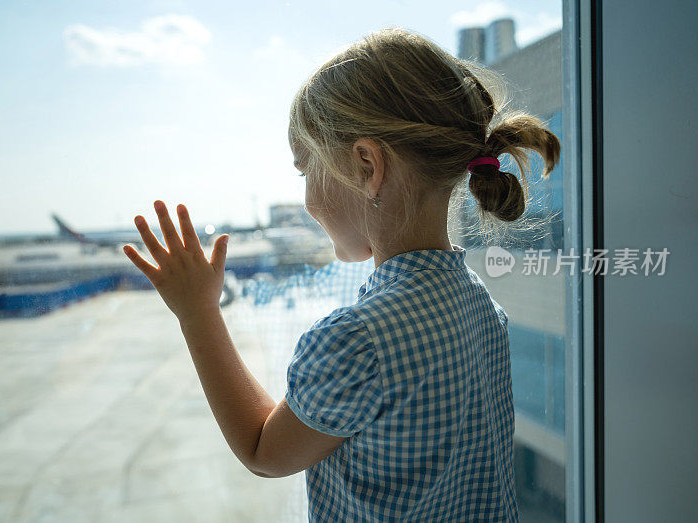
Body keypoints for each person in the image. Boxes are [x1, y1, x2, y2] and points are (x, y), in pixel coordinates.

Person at [125, 24, 560, 523]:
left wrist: (197, 311)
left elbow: (263, 450)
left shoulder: (359, 341)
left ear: (366, 166)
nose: (306, 198)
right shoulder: (482, 306)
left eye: (306, 169)